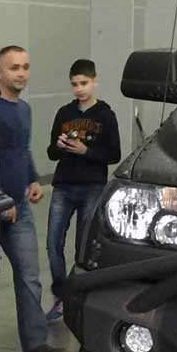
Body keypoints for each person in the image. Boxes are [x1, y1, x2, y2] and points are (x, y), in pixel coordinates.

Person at [0, 45, 62, 352]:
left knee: (29, 274)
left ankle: (35, 344)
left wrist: (32, 179)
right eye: (14, 67)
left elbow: (21, 150)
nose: (21, 73)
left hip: (19, 207)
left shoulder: (24, 110)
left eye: (25, 67)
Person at [43, 59, 121, 323]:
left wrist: (86, 151)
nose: (79, 89)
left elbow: (114, 154)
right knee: (53, 243)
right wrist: (59, 145)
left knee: (83, 245)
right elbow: (51, 152)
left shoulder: (105, 115)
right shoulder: (64, 113)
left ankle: (77, 296)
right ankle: (61, 294)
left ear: (95, 81)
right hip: (63, 185)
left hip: (91, 185)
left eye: (84, 83)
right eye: (74, 84)